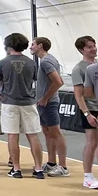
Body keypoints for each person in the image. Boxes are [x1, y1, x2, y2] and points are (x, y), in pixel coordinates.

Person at [0, 33, 45, 179]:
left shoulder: (3, 63)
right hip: (28, 103)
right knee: (33, 135)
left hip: (9, 103)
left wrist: (1, 96)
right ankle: (38, 168)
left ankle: (16, 168)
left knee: (12, 135)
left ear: (8, 45)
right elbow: (34, 79)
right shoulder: (31, 63)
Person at [30, 37, 69, 177]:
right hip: (44, 103)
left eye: (33, 44)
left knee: (56, 132)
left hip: (48, 103)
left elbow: (58, 82)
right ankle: (52, 162)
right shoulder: (47, 60)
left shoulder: (46, 62)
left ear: (40, 45)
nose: (30, 47)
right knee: (47, 132)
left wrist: (45, 98)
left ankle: (63, 166)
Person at [72, 35, 98, 189]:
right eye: (89, 47)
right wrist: (87, 114)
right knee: (92, 142)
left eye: (94, 45)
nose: (93, 49)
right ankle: (88, 176)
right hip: (90, 109)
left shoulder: (97, 65)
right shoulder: (78, 69)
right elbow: (79, 95)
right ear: (81, 50)